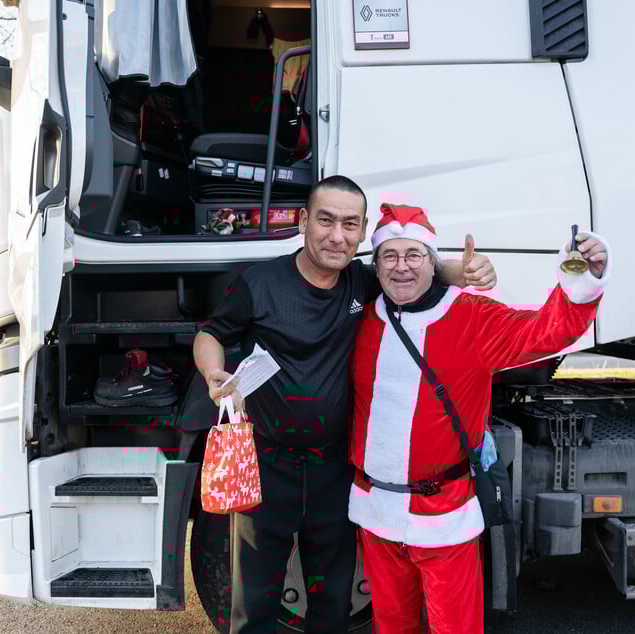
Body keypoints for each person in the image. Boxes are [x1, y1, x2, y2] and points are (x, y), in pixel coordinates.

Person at [192, 176, 498, 634]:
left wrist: (460, 271)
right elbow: (211, 333)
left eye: (349, 224)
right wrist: (213, 371)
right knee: (252, 607)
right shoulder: (261, 283)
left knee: (332, 605)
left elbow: (414, 270)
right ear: (303, 222)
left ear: (362, 232)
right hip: (266, 466)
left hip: (335, 472)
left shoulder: (363, 281)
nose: (337, 236)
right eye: (326, 221)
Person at [349, 203, 610, 634]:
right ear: (375, 264)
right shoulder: (360, 316)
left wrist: (583, 277)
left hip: (445, 515)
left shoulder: (470, 315)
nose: (401, 268)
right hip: (376, 512)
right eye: (390, 256)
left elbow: (546, 330)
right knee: (391, 627)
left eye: (413, 255)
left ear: (433, 262)